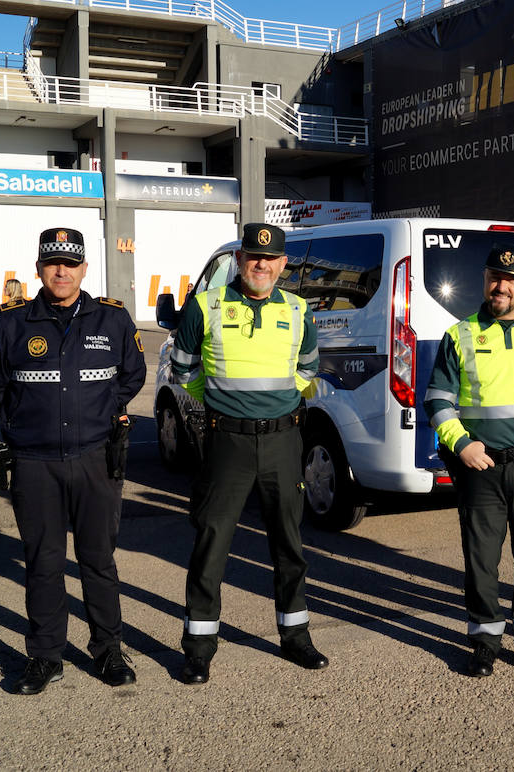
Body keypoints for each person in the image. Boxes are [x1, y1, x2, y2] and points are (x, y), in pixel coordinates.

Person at [0, 227, 146, 695]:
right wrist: (23, 420)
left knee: (98, 560)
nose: (61, 271)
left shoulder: (112, 320)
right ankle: (46, 656)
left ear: (84, 268)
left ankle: (108, 650)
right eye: (53, 263)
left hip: (95, 457)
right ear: (39, 269)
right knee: (43, 561)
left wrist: (105, 410)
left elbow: (132, 376)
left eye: (70, 263)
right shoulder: (8, 323)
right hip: (35, 462)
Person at [169, 222, 327, 684]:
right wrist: (219, 403)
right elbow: (183, 369)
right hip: (228, 441)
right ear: (240, 260)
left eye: (271, 258)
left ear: (282, 264)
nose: (262, 264)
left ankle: (295, 636)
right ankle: (198, 648)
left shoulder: (298, 310)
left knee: (289, 542)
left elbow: (309, 368)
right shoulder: (206, 305)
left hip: (283, 439)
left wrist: (282, 406)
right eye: (253, 256)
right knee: (211, 542)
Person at [424, 243, 514, 677]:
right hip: (479, 466)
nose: (500, 286)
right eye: (494, 277)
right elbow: (437, 400)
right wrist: (461, 443)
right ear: (485, 280)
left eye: (510, 279)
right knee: (481, 559)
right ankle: (485, 640)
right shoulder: (461, 334)